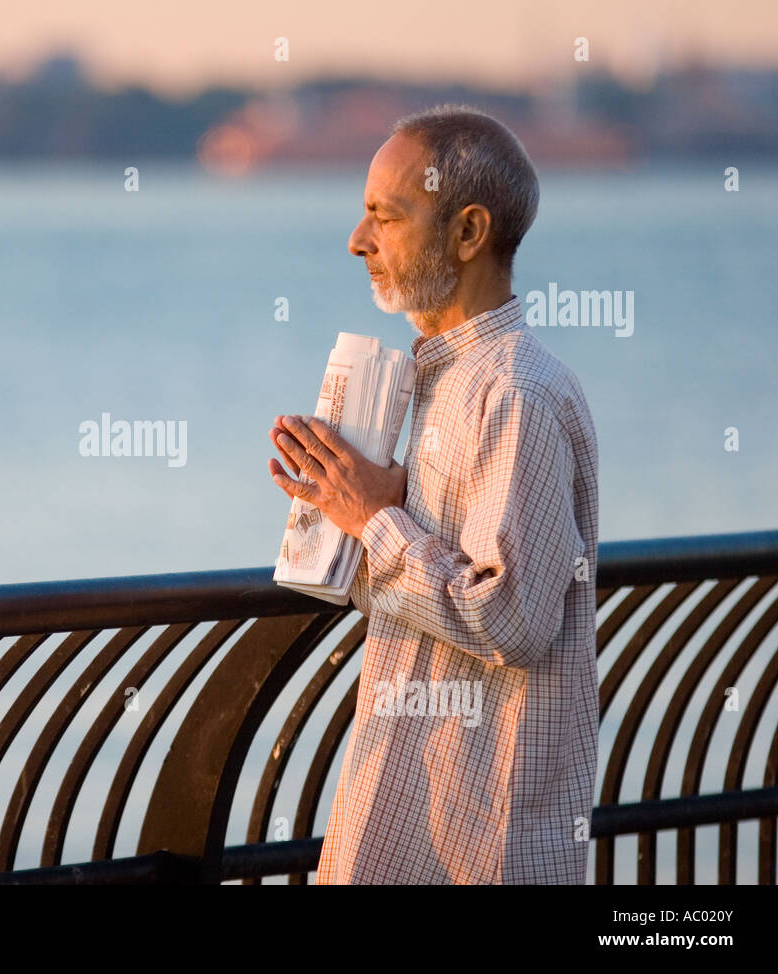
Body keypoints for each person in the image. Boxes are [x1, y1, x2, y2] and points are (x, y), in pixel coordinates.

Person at [268, 104, 599, 884]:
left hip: (479, 842)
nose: (358, 240)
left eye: (385, 216)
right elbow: (433, 581)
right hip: (413, 814)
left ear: (468, 232)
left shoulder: (515, 394)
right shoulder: (440, 384)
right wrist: (338, 522)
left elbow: (511, 620)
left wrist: (373, 517)